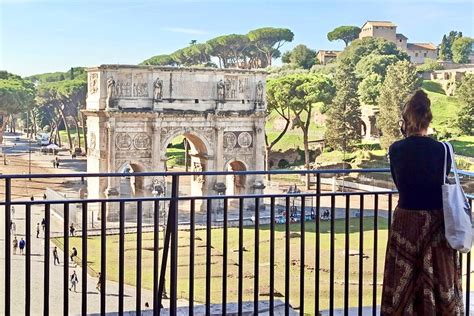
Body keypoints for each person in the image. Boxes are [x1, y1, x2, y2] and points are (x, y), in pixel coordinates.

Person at [381, 90, 463, 314]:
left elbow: (399, 183)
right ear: (429, 118)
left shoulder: (396, 149)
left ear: (406, 119)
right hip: (436, 222)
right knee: (440, 277)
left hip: (405, 221)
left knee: (402, 278)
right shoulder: (443, 150)